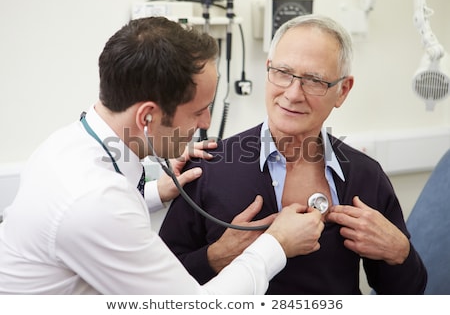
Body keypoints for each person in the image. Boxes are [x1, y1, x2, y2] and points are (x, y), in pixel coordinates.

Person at [0, 16, 325, 294]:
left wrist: (158, 191)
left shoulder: (66, 145)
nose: (206, 124)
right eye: (199, 111)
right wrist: (277, 243)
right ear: (147, 117)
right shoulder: (93, 201)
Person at [159, 14, 428, 294]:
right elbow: (159, 287)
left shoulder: (365, 176)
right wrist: (214, 258)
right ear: (268, 70)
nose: (293, 93)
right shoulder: (208, 168)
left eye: (314, 80)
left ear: (342, 91)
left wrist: (400, 252)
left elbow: (406, 294)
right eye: (283, 73)